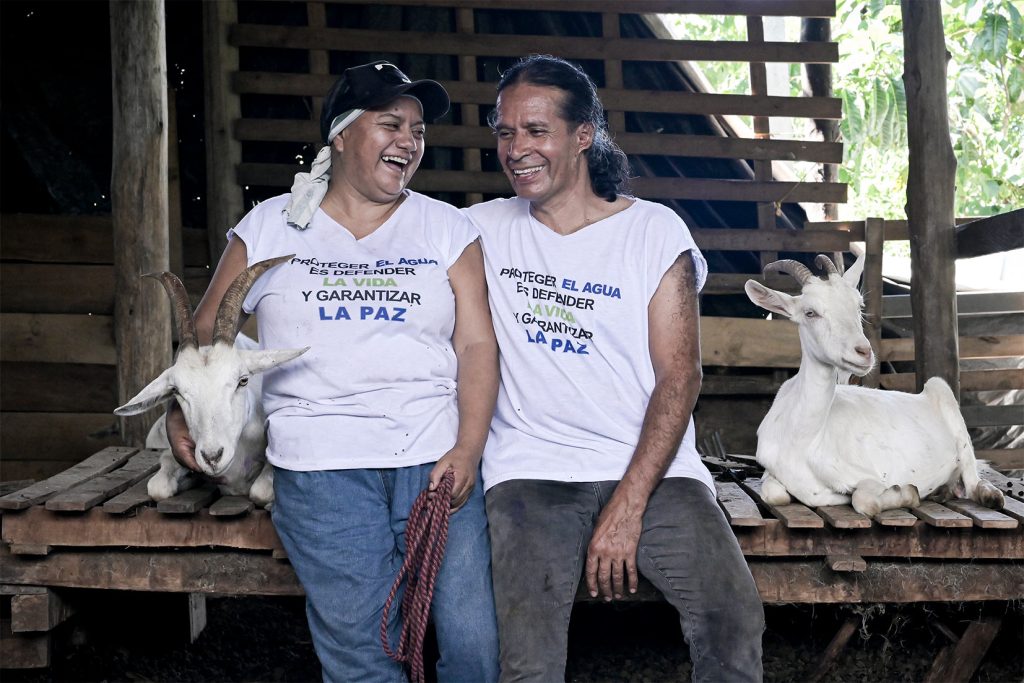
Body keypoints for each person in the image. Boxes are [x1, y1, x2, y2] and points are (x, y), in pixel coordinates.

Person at [166, 60, 500, 683]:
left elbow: (477, 344)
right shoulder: (269, 224)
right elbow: (209, 339)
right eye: (391, 123)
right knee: (365, 657)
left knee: (474, 649)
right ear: (341, 135)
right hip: (322, 470)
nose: (410, 140)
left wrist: (469, 447)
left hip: (434, 461)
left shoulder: (447, 227)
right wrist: (181, 407)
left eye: (419, 130)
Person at [464, 54, 765, 682]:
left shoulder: (654, 232)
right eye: (505, 131)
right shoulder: (479, 229)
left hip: (656, 472)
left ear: (582, 136)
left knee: (732, 615)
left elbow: (680, 377)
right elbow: (383, 235)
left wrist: (627, 508)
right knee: (527, 657)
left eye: (536, 130)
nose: (517, 148)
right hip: (532, 473)